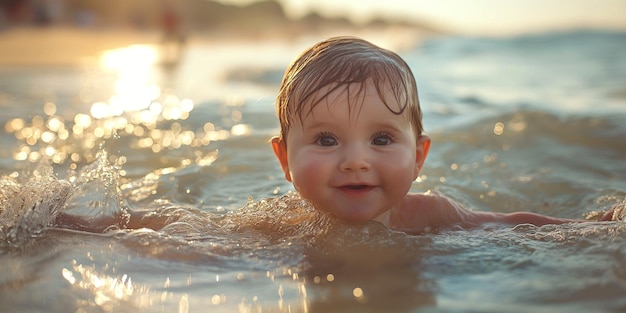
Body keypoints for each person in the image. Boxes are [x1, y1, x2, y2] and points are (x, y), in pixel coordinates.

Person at [268, 36, 614, 234]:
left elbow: (506, 223)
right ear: (285, 159)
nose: (356, 161)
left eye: (382, 139)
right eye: (327, 140)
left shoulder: (430, 214)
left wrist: (594, 227)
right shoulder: (278, 225)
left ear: (419, 156)